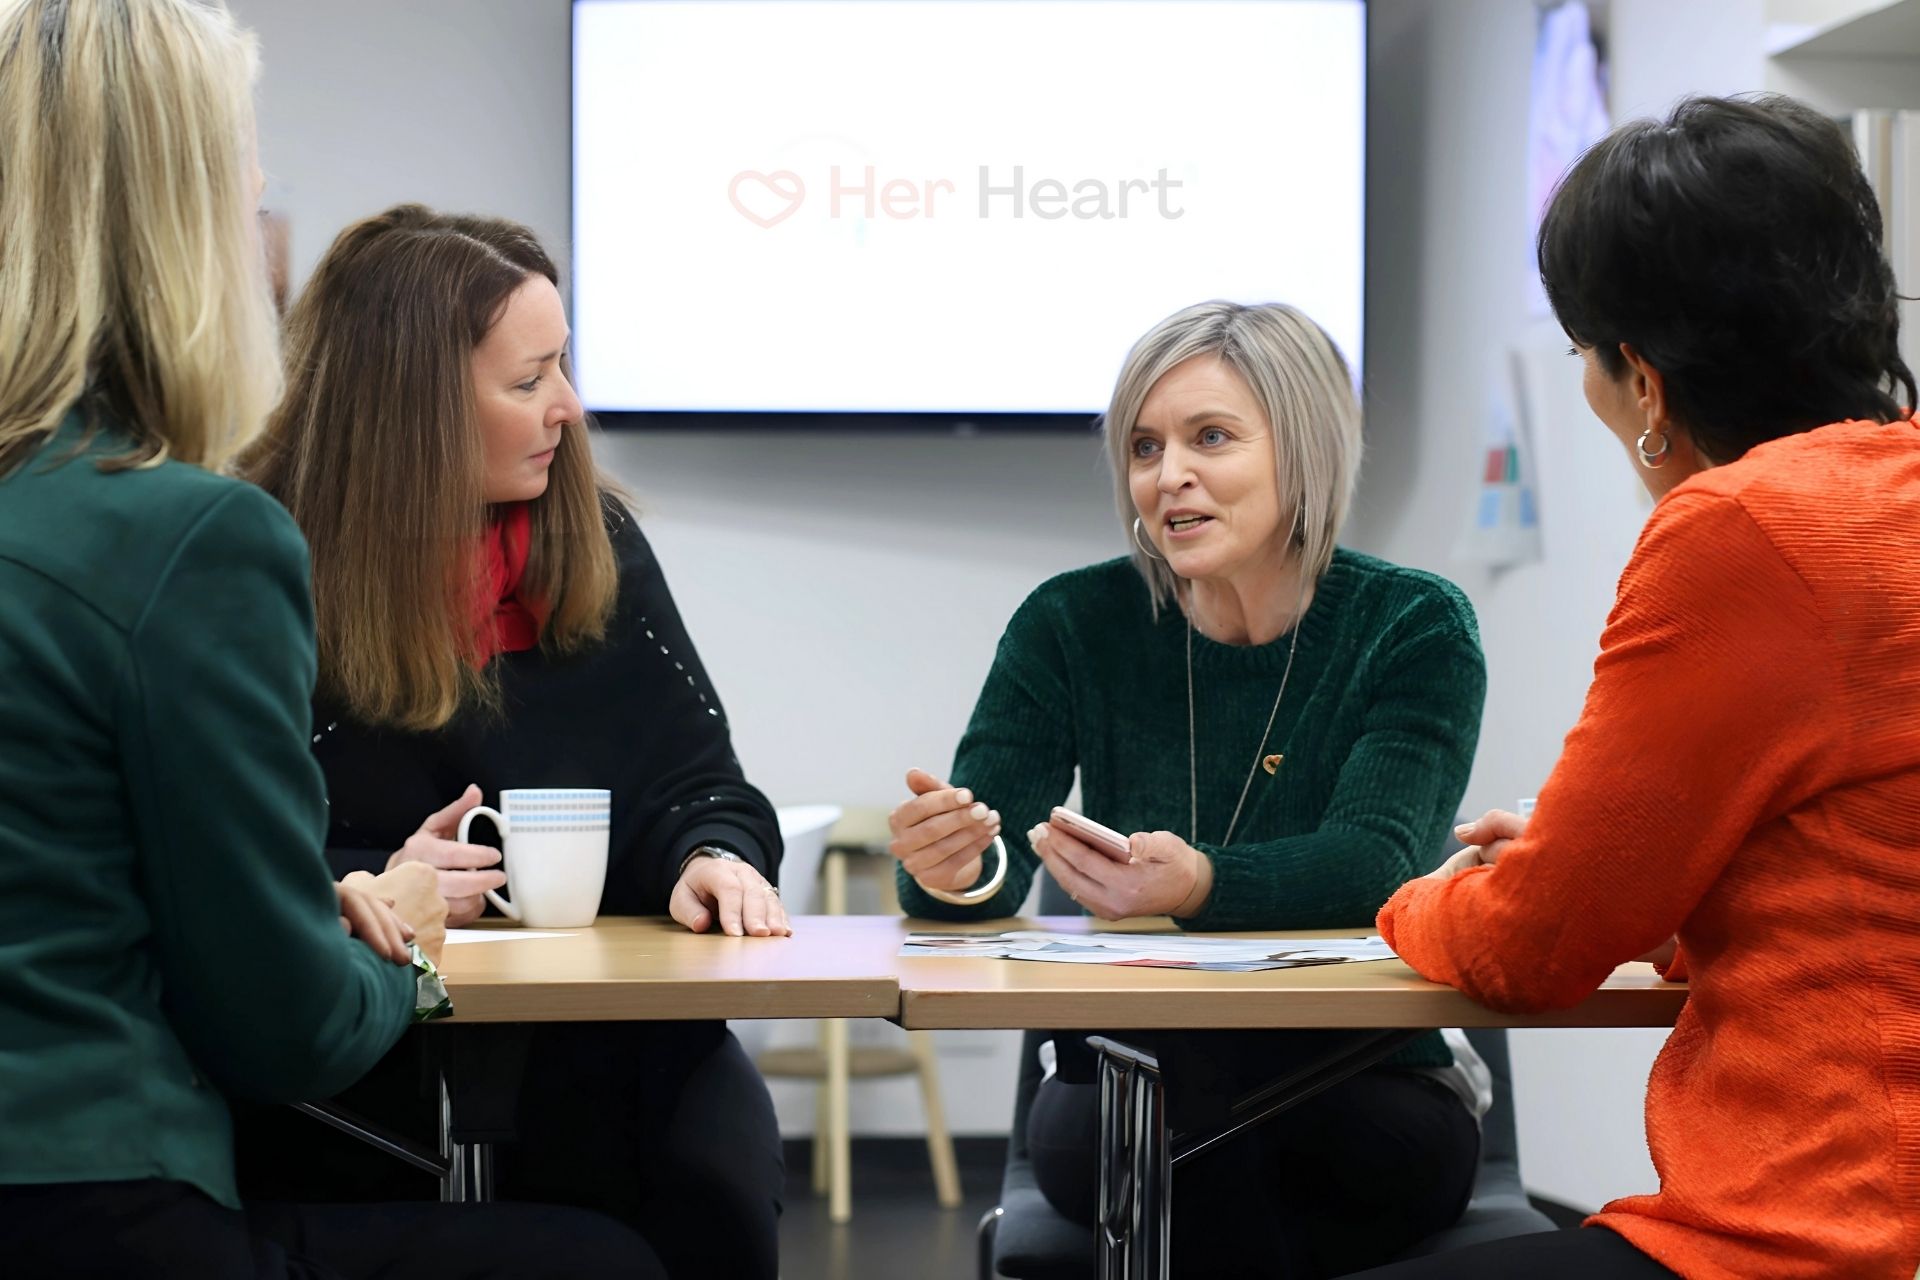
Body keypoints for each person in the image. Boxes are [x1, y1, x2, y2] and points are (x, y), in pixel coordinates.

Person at [0, 2, 654, 1276]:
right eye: (239, 159)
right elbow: (288, 1027)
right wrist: (399, 923)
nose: (259, 186)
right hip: (89, 1199)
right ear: (181, 218)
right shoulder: (192, 539)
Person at [1348, 94, 1920, 1280]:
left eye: (1587, 360)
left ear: (1645, 383)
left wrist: (1415, 897)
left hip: (1824, 1224)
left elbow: (1530, 945)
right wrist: (1654, 886)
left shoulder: (1742, 529)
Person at [235, 204, 787, 1278]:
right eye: (529, 380)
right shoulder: (252, 560)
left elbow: (699, 783)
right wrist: (371, 880)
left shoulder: (601, 546)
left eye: (563, 369)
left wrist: (709, 856)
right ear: (418, 405)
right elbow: (207, 859)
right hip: (337, 1064)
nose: (570, 409)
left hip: (606, 1056)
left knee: (710, 1206)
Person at [886, 301, 1490, 1277]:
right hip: (1127, 1087)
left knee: (1197, 1167)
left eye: (1210, 437)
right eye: (1144, 446)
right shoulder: (1073, 621)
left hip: (1364, 1084)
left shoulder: (1412, 623)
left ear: (1305, 449)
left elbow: (1376, 858)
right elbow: (986, 856)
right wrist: (951, 863)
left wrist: (1200, 884)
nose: (1169, 476)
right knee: (1169, 1115)